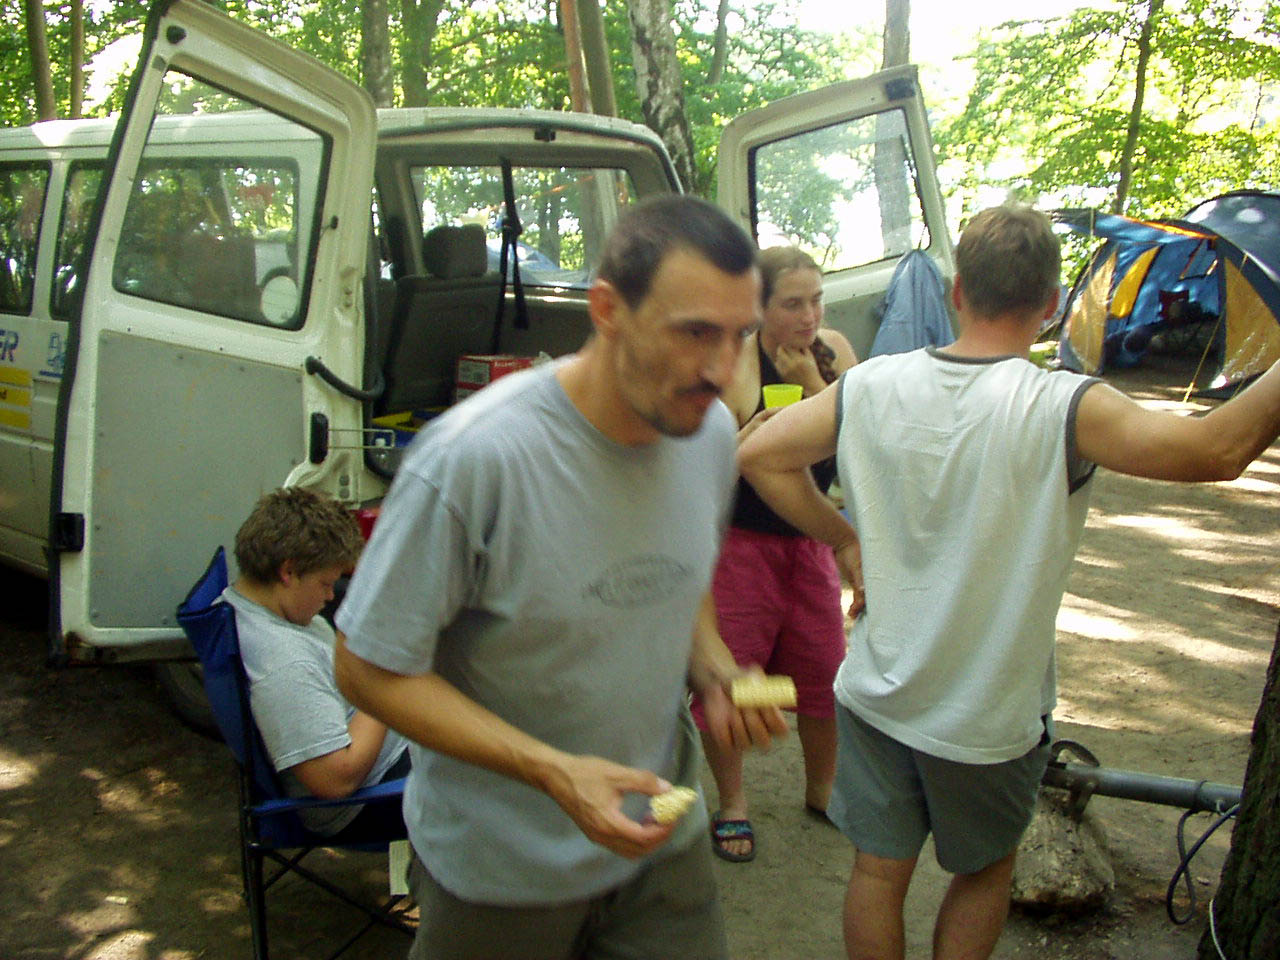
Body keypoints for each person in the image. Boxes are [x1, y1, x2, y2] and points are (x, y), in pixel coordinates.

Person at [737, 204, 1280, 960]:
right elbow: (1218, 449)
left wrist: (843, 538)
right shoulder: (1064, 407)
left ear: (957, 291)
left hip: (878, 694)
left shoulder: (872, 387)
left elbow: (758, 454)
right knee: (986, 873)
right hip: (987, 719)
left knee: (877, 871)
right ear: (1053, 304)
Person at [333, 195, 790, 960]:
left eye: (741, 334)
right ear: (607, 310)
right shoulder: (473, 461)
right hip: (502, 872)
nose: (722, 370)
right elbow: (365, 667)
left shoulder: (707, 432)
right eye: (694, 333)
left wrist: (713, 668)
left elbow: (678, 572)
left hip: (660, 838)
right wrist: (554, 773)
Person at [694, 246, 858, 863]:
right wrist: (752, 436)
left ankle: (823, 790)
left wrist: (816, 388)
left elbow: (863, 445)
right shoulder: (736, 365)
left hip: (809, 540)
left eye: (816, 300)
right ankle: (734, 803)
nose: (809, 316)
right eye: (792, 304)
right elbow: (702, 469)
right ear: (760, 307)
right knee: (739, 675)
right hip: (742, 545)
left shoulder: (834, 350)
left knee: (821, 673)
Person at [224, 486, 410, 838]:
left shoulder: (251, 602)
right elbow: (336, 779)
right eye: (325, 583)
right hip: (373, 797)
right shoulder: (285, 663)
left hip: (383, 737)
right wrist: (384, 686)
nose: (328, 595)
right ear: (289, 571)